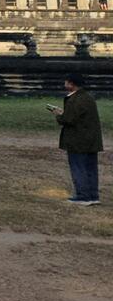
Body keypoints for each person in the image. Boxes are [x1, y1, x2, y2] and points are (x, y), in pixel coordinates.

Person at [52, 73, 103, 206]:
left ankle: (83, 195)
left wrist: (59, 115)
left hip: (78, 139)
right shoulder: (88, 97)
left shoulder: (74, 100)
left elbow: (69, 120)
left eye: (66, 82)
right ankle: (92, 195)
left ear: (71, 84)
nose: (65, 84)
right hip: (91, 139)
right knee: (91, 168)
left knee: (78, 167)